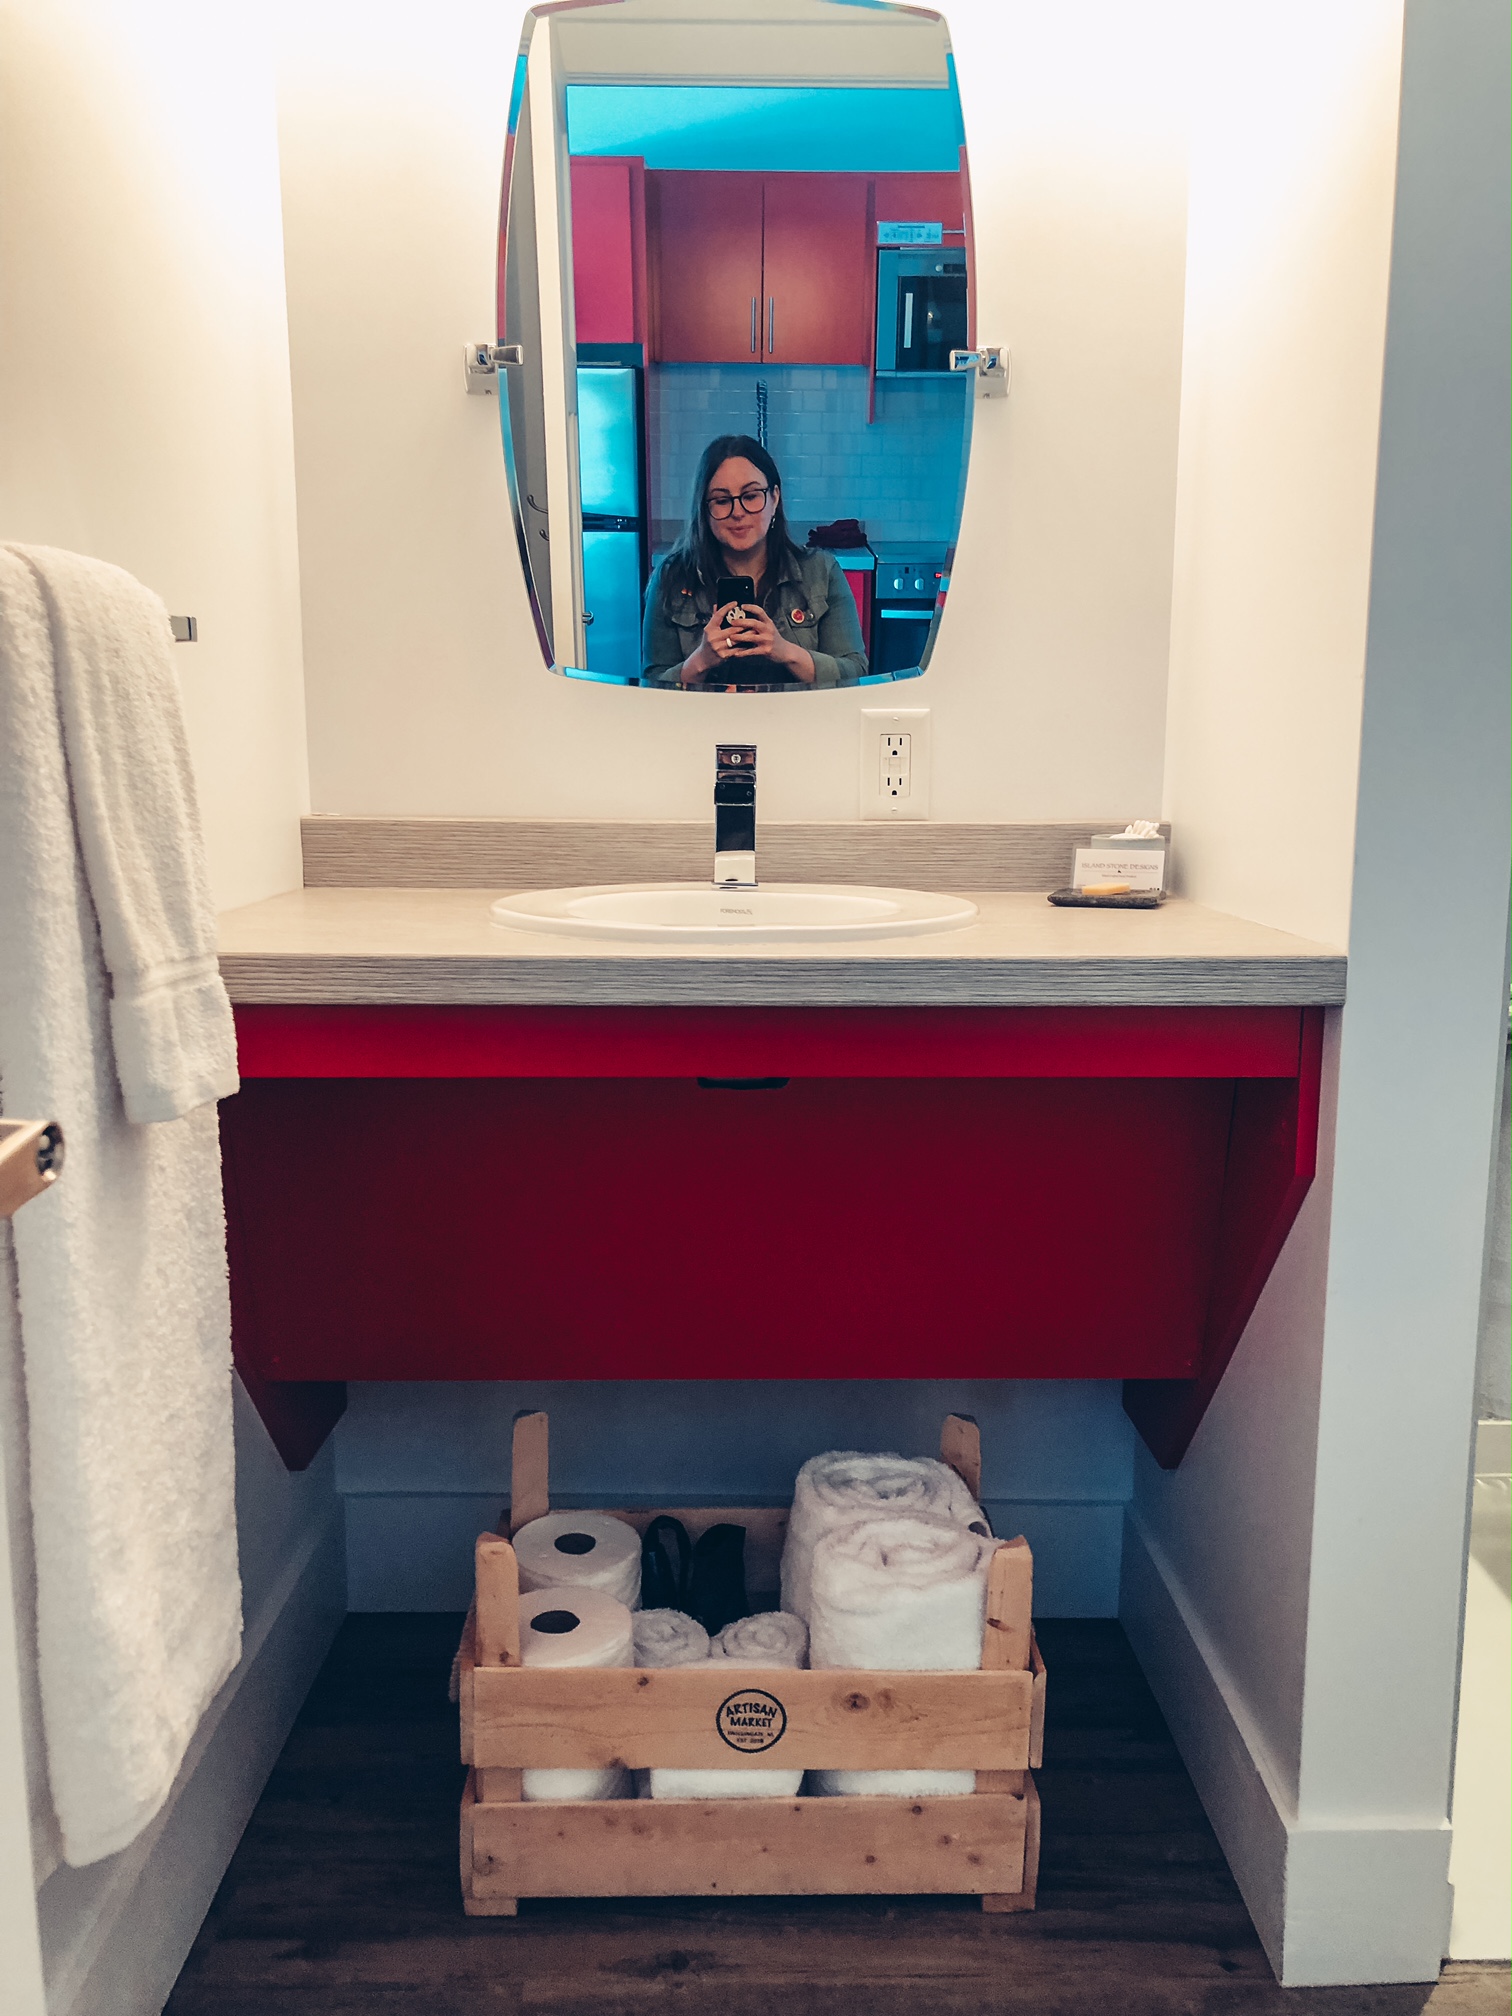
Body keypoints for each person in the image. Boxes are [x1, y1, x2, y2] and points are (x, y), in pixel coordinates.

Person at [641, 435, 867, 690]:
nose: (738, 512)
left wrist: (786, 652)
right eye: (722, 500)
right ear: (704, 509)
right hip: (704, 726)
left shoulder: (821, 571)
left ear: (774, 498)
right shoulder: (671, 578)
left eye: (750, 496)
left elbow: (855, 673)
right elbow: (652, 687)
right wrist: (700, 661)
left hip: (798, 724)